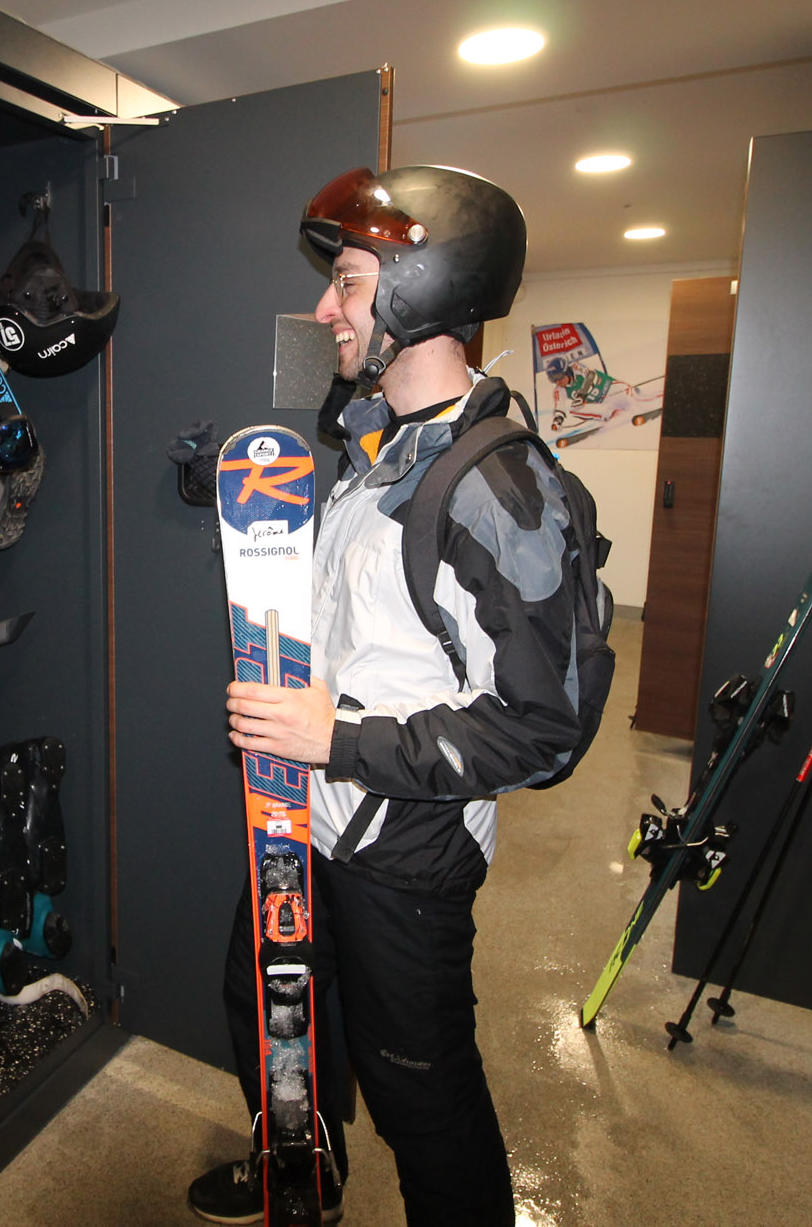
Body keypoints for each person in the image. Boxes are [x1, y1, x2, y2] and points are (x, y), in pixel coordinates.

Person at [189, 166, 586, 1226]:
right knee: (268, 1014)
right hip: (301, 821)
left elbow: (544, 729)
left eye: (350, 283)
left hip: (404, 847)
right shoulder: (373, 457)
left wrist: (337, 738)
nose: (325, 308)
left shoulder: (505, 489)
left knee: (421, 1092)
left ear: (419, 287)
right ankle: (299, 1174)